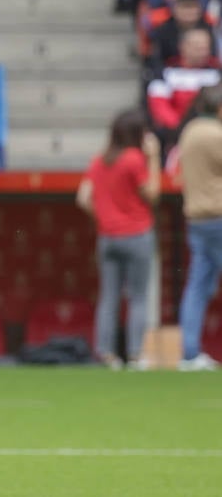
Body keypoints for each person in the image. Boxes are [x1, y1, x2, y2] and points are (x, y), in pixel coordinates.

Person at [76, 109, 160, 369]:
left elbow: (82, 198)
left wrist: (103, 217)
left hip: (108, 236)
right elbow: (153, 194)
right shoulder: (134, 159)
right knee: (137, 297)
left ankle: (107, 354)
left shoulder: (100, 160)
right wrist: (155, 158)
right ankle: (135, 355)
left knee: (109, 298)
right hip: (136, 234)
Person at [175, 83, 222, 371]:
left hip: (196, 217)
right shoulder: (215, 134)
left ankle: (189, 352)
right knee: (198, 285)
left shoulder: (190, 131)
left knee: (197, 286)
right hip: (218, 214)